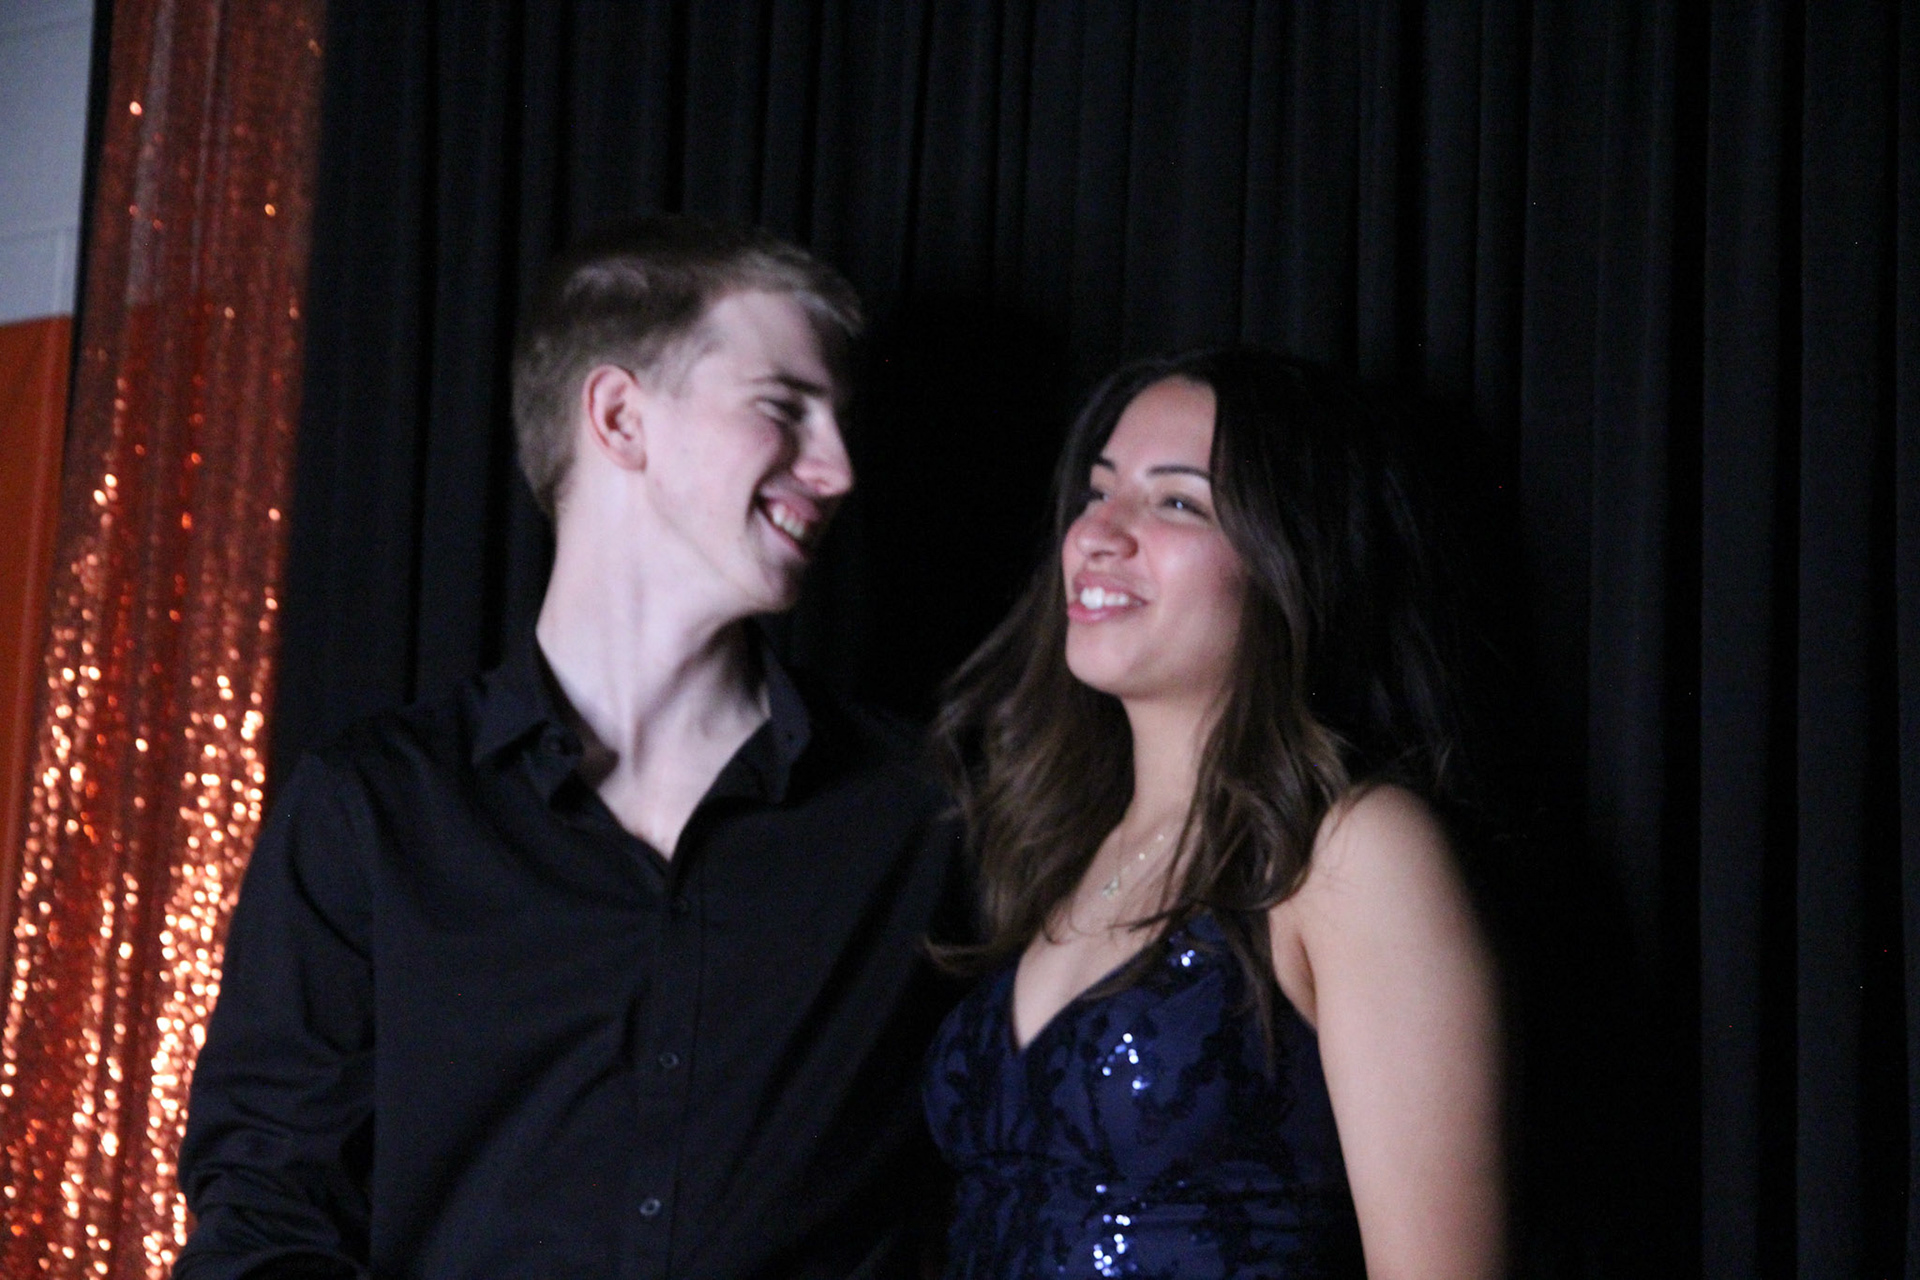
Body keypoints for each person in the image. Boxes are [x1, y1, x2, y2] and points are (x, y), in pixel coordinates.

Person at [177, 216, 962, 1279]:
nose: (837, 470)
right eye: (784, 409)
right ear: (620, 417)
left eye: (839, 422)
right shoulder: (372, 809)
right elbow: (265, 1216)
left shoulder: (919, 813)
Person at [924, 349, 1504, 1278]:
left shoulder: (1354, 851)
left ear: (1289, 560)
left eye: (1176, 503)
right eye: (1097, 492)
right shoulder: (1061, 847)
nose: (1099, 534)